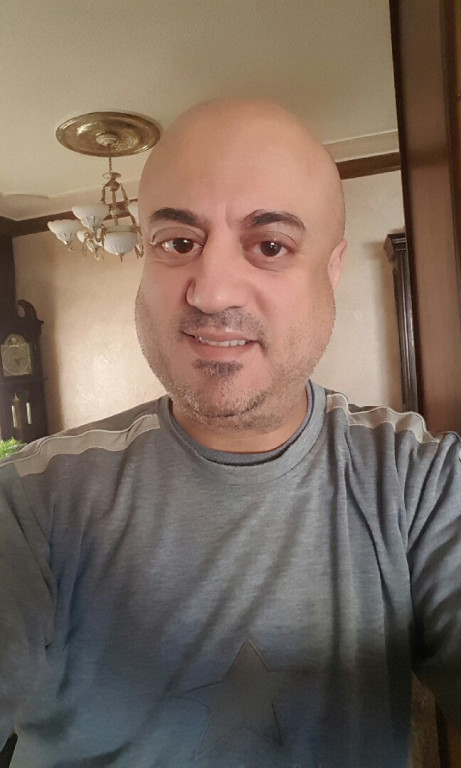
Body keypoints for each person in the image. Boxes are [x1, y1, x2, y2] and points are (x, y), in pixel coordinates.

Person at [0, 99, 460, 768]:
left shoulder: (420, 482)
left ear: (331, 270)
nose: (212, 292)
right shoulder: (30, 501)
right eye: (178, 243)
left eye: (270, 246)